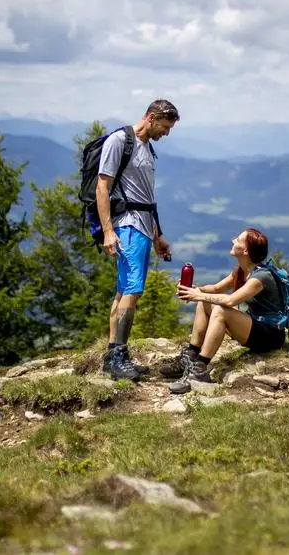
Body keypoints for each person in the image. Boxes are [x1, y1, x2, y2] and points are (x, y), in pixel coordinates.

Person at [97, 99, 180, 380]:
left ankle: (114, 355)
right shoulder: (120, 141)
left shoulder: (146, 147)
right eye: (165, 127)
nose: (166, 133)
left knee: (124, 291)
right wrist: (108, 231)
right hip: (127, 225)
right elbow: (102, 186)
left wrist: (158, 235)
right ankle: (118, 356)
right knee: (133, 290)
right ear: (152, 117)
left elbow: (146, 197)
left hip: (144, 225)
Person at [163, 227, 286, 394]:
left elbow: (230, 300)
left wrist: (198, 294)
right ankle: (190, 356)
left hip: (270, 336)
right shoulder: (241, 271)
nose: (234, 240)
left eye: (238, 240)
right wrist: (195, 290)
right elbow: (214, 289)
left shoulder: (261, 277)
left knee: (219, 309)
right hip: (255, 327)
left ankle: (199, 370)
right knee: (204, 299)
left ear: (245, 250)